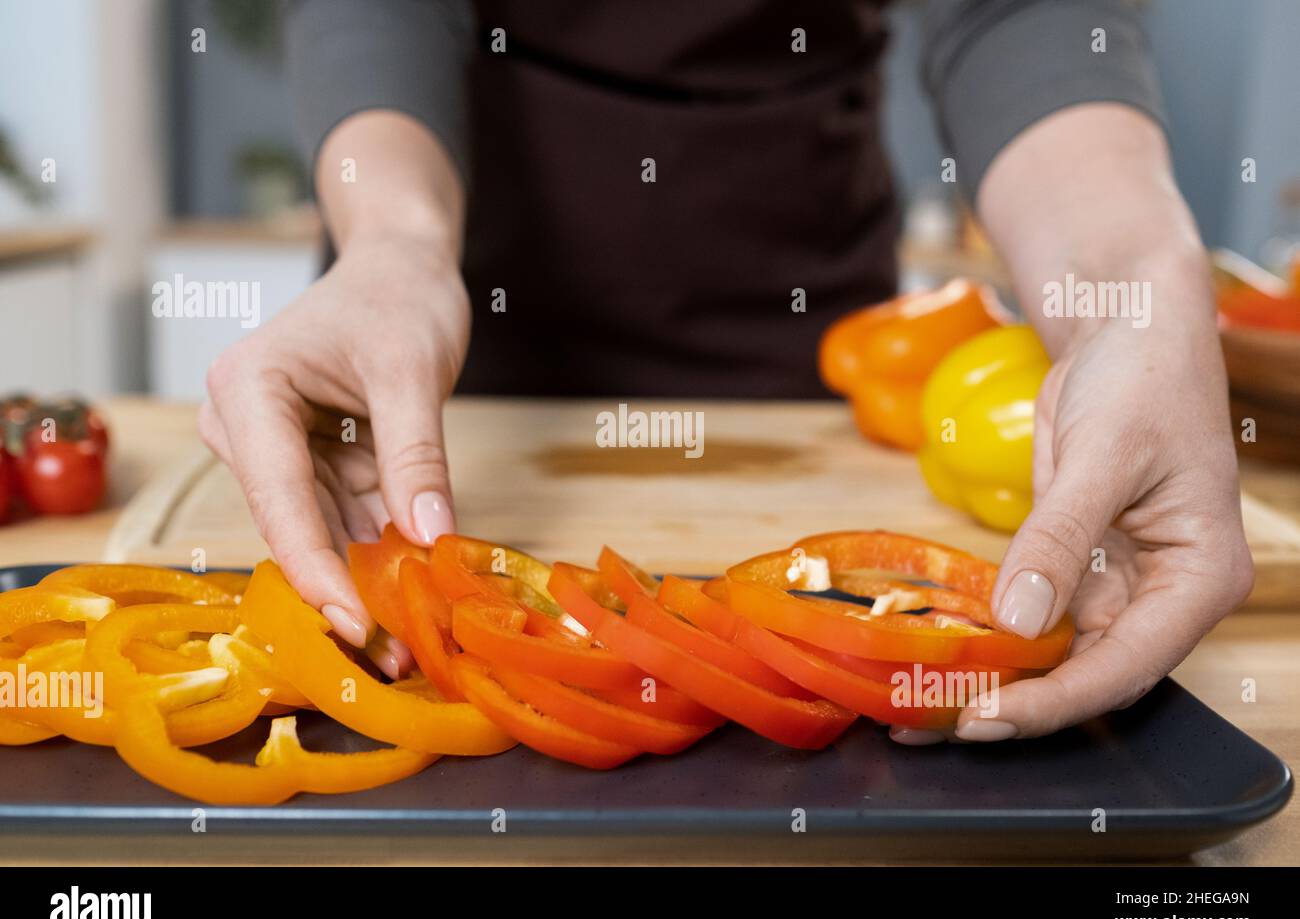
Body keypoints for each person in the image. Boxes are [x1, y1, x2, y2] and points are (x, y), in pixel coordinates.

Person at [199, 1, 1254, 744]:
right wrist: (391, 239)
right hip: (445, 323)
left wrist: (1133, 280)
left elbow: (1017, 9)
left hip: (795, 309)